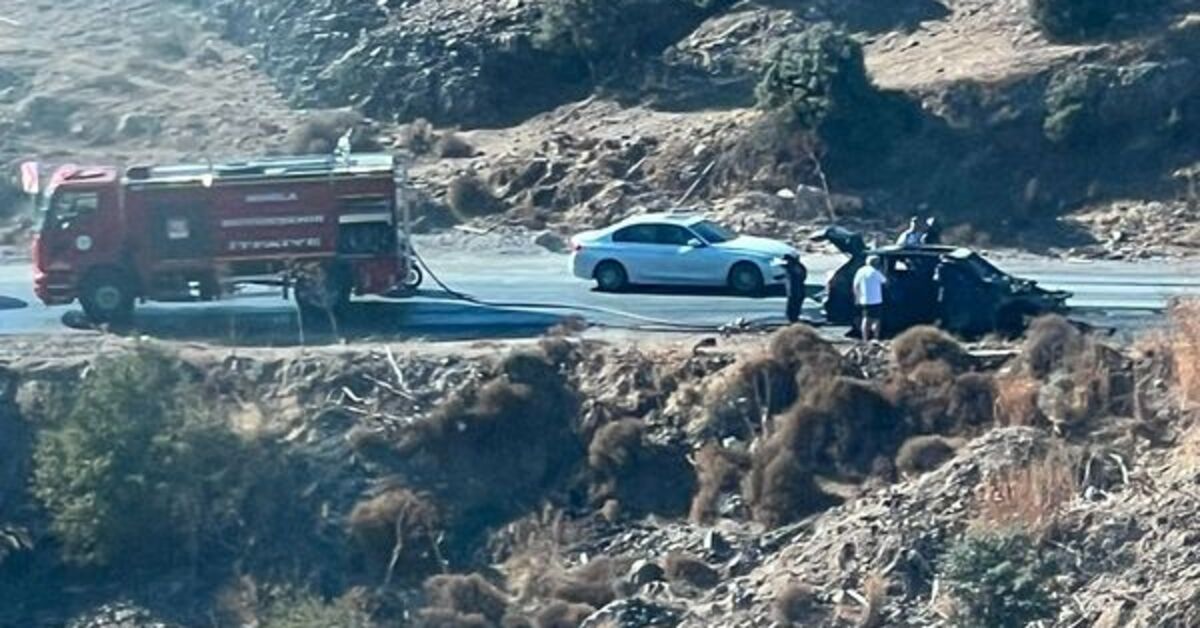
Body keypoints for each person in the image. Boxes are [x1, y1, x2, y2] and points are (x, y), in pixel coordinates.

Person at [853, 255, 887, 341]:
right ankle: (875, 338)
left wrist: (857, 297)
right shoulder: (875, 272)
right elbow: (884, 281)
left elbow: (855, 285)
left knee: (866, 319)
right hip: (876, 300)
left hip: (864, 299)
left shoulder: (860, 271)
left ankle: (865, 338)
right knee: (876, 319)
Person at [781, 253, 808, 323]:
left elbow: (799, 276)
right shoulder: (796, 267)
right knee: (793, 306)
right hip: (795, 291)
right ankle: (793, 318)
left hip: (796, 291)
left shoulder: (795, 268)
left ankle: (793, 319)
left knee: (794, 305)